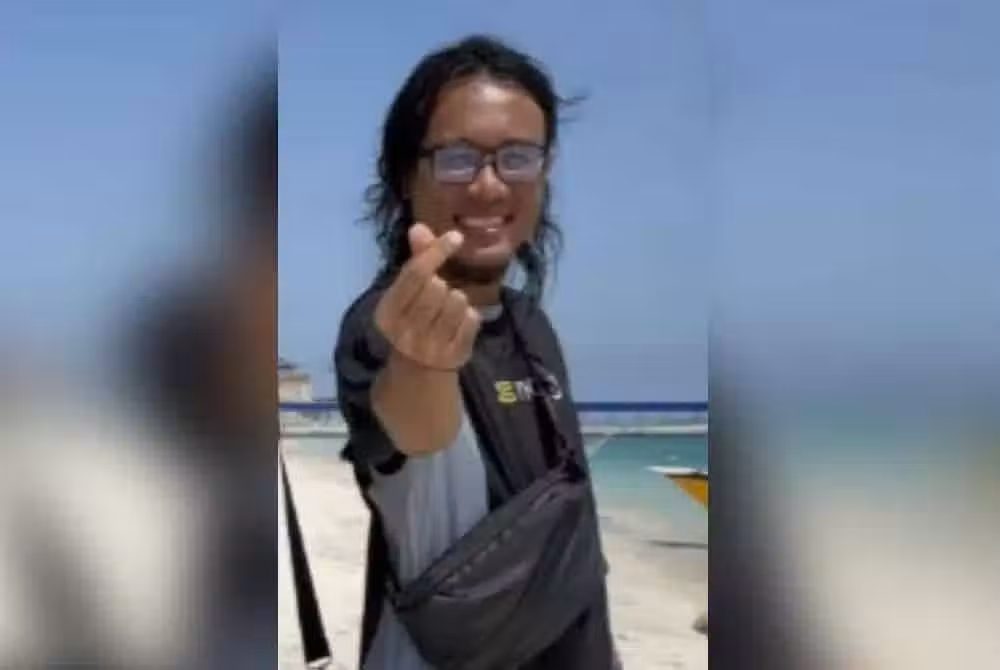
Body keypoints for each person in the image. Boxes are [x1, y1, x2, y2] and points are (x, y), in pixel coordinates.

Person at [334, 35, 620, 669]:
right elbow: (415, 432)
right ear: (407, 175)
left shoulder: (531, 324)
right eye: (457, 158)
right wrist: (423, 365)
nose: (490, 187)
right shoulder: (383, 325)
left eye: (517, 157)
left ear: (544, 171)